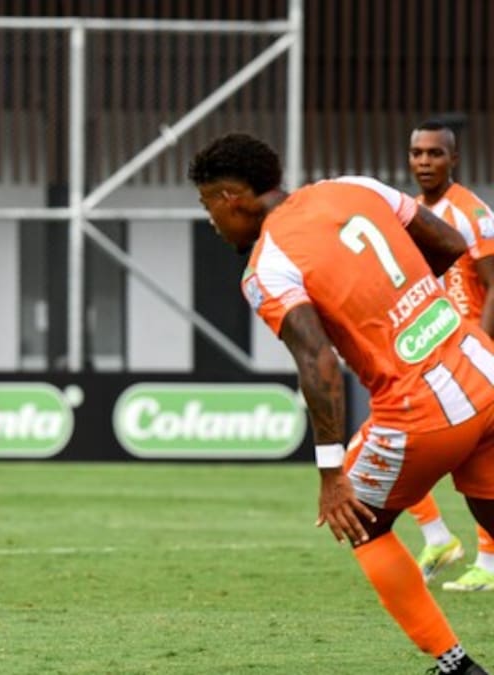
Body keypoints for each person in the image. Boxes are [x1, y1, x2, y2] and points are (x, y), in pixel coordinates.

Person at [189, 132, 493, 675]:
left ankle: (456, 667)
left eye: (208, 204)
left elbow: (319, 364)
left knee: (364, 524)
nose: (211, 220)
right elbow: (449, 246)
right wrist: (407, 301)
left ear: (232, 196)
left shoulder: (267, 266)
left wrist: (331, 475)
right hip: (481, 367)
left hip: (421, 409)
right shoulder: (354, 186)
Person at [402, 120, 494, 591]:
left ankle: (483, 562)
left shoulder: (472, 213)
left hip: (471, 357)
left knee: (478, 460)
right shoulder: (415, 212)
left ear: (453, 159)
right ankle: (439, 537)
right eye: (417, 152)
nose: (423, 161)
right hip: (433, 353)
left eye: (434, 153)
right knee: (401, 442)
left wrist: (480, 344)